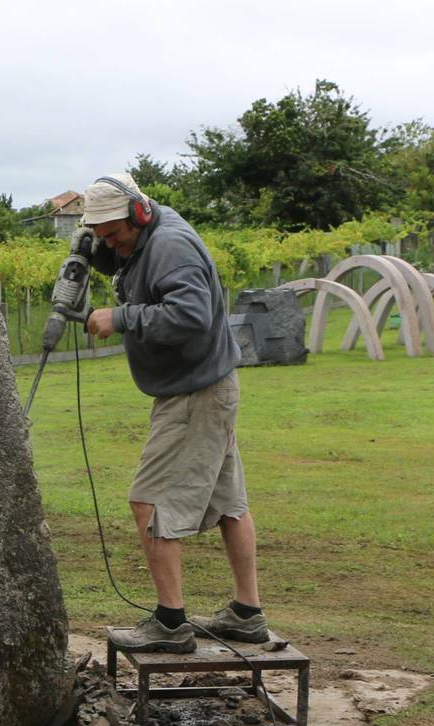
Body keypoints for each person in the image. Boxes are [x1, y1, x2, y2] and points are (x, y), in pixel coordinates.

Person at [75, 173, 268, 653]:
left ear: (139, 213)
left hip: (194, 394)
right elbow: (129, 259)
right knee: (228, 504)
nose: (111, 244)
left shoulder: (171, 246)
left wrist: (118, 318)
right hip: (207, 385)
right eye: (101, 236)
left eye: (113, 233)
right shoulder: (146, 236)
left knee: (149, 502)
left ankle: (170, 623)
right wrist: (91, 249)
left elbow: (190, 314)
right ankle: (247, 614)